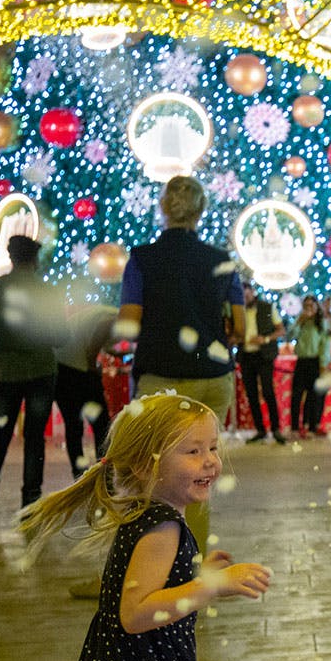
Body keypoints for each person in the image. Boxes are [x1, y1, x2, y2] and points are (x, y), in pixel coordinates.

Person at [17, 392, 272, 661]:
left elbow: (153, 586)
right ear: (144, 464)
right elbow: (136, 613)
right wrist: (210, 587)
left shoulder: (154, 512)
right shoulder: (162, 527)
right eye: (192, 451)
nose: (210, 460)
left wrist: (194, 575)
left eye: (212, 447)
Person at [116, 175, 245, 547]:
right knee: (198, 476)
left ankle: (142, 567)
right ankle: (192, 563)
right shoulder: (222, 261)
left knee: (145, 476)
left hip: (161, 377)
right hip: (212, 379)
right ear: (201, 211)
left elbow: (129, 322)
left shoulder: (142, 259)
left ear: (163, 208)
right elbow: (239, 327)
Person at [0, 235, 69, 520]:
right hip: (42, 372)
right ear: (35, 260)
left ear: (10, 257)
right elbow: (61, 336)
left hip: (7, 374)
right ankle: (30, 502)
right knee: (35, 439)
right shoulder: (48, 291)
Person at [54, 302, 117, 478]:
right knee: (101, 424)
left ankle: (79, 474)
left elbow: (105, 343)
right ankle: (103, 473)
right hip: (78, 370)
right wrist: (91, 364)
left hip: (59, 368)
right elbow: (102, 330)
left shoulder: (104, 312)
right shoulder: (119, 316)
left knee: (74, 425)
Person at [238, 283, 286, 444]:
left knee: (267, 391)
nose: (245, 298)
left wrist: (264, 339)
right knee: (251, 393)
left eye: (247, 295)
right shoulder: (238, 310)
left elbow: (281, 330)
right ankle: (260, 430)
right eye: (242, 296)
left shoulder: (267, 307)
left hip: (264, 355)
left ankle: (276, 429)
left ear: (252, 292)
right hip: (246, 355)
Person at [286, 294, 331, 438]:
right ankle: (294, 427)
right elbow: (289, 336)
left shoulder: (321, 324)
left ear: (316, 307)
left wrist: (323, 364)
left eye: (311, 306)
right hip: (301, 361)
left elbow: (325, 345)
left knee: (313, 396)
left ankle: (312, 426)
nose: (308, 309)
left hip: (315, 362)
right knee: (296, 395)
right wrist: (299, 321)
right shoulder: (301, 322)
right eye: (306, 306)